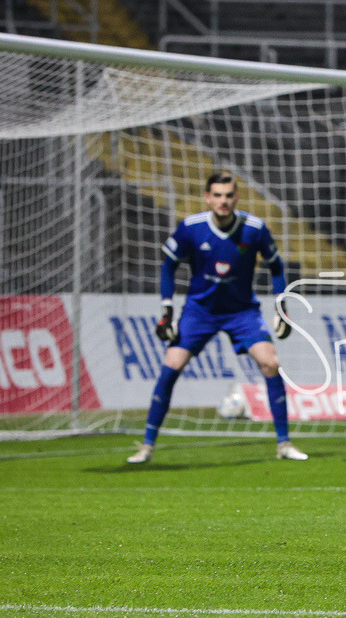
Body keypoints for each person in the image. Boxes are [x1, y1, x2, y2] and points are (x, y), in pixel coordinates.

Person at [127, 171, 308, 464]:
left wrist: (281, 308)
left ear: (236, 197)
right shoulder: (191, 228)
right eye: (218, 195)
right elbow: (167, 266)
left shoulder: (254, 228)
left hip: (242, 312)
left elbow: (276, 266)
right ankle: (147, 446)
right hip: (200, 312)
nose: (223, 201)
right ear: (207, 197)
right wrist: (167, 311)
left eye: (228, 195)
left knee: (270, 362)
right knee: (171, 365)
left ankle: (284, 444)